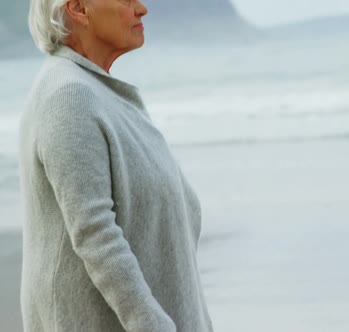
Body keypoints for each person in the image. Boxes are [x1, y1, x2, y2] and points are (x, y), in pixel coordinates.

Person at [19, 0, 214, 331]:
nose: (142, 9)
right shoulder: (68, 98)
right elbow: (97, 235)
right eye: (126, 0)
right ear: (79, 9)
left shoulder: (101, 94)